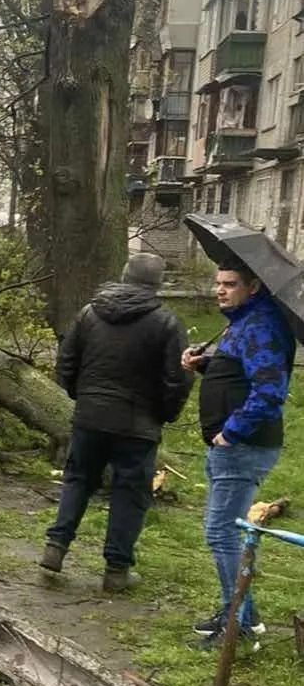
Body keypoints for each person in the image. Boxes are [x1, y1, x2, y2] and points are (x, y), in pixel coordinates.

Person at [40, 254, 191, 593]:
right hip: (138, 425)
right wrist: (165, 414)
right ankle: (116, 570)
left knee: (77, 479)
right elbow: (177, 379)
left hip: (91, 416)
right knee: (129, 493)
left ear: (123, 276)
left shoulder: (89, 313)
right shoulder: (167, 323)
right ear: (158, 285)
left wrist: (83, 395)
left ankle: (56, 547)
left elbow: (66, 361)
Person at [182, 262, 294, 646]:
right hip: (231, 447)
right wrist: (206, 365)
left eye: (230, 284)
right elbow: (239, 374)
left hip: (244, 447)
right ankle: (241, 610)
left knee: (223, 533)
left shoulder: (262, 327)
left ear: (255, 285)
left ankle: (240, 622)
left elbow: (269, 392)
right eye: (217, 283)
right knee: (224, 532)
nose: (220, 290)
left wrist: (230, 433)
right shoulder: (243, 322)